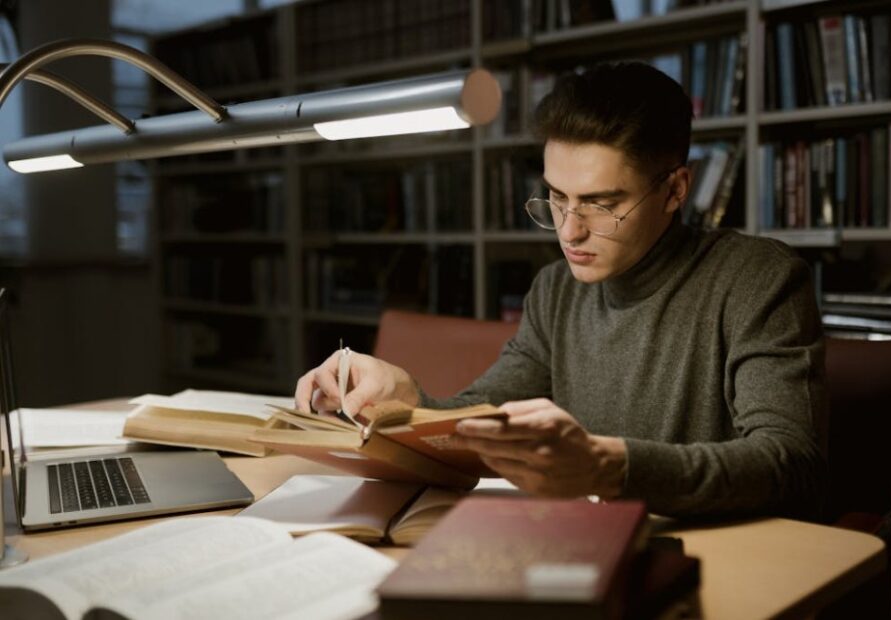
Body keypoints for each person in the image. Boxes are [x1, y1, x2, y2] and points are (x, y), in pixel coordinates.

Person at [295, 62, 826, 519]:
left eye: (600, 203)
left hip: (716, 558)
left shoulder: (758, 278)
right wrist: (408, 402)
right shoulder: (555, 290)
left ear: (675, 190)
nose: (569, 231)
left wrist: (607, 466)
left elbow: (788, 460)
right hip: (584, 544)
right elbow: (486, 415)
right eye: (556, 196)